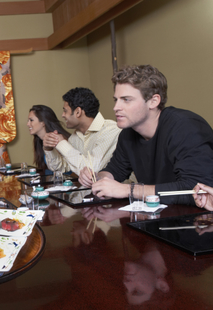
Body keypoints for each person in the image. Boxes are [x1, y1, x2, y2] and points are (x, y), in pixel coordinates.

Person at [80, 65, 213, 205]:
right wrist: (98, 178)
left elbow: (197, 190)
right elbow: (115, 171)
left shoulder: (185, 127)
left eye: (126, 99)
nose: (116, 107)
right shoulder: (128, 134)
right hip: (157, 217)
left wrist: (129, 190)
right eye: (116, 99)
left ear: (153, 101)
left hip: (195, 222)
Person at [42, 88, 121, 175]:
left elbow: (91, 171)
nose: (62, 115)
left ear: (78, 112)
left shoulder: (111, 130)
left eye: (65, 111)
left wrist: (62, 143)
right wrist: (49, 149)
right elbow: (61, 169)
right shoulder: (75, 137)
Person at [27, 105, 70, 174]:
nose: (28, 124)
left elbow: (63, 169)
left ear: (43, 122)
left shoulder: (57, 139)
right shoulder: (40, 141)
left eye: (31, 120)